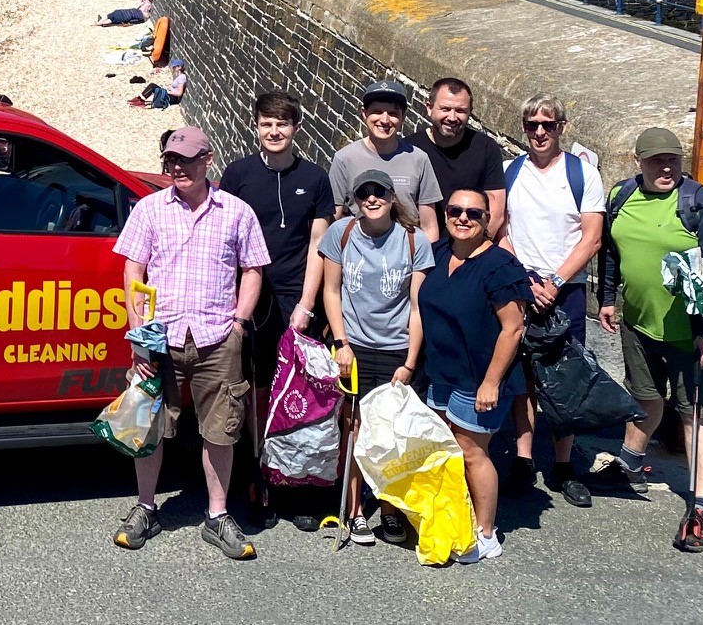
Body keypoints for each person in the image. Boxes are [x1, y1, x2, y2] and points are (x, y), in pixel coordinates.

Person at [110, 127, 267, 562]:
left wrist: (239, 321)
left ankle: (217, 517)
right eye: (170, 160)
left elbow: (252, 268)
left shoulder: (236, 212)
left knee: (221, 430)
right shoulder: (149, 209)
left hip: (218, 337)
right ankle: (145, 508)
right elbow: (134, 272)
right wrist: (138, 336)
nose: (176, 167)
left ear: (208, 160)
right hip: (160, 339)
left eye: (186, 159)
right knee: (149, 428)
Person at [598, 127, 703, 554]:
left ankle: (702, 505)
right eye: (656, 160)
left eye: (672, 160)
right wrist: (606, 298)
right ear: (637, 161)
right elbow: (610, 252)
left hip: (688, 333)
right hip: (638, 322)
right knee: (644, 396)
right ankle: (631, 463)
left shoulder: (699, 204)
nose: (666, 167)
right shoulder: (621, 197)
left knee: (696, 414)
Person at [218, 90, 336, 528]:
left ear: (296, 128)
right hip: (252, 295)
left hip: (296, 295)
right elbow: (224, 235)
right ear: (256, 126)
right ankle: (260, 478)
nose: (274, 131)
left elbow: (319, 244)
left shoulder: (316, 177)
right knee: (257, 388)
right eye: (266, 123)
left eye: (282, 124)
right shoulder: (239, 173)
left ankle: (299, 483)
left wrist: (306, 305)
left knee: (302, 392)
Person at [498, 93, 606, 506]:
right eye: (532, 125)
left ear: (562, 128)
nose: (540, 132)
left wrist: (556, 281)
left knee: (568, 377)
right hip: (521, 287)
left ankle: (562, 465)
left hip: (567, 290)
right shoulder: (510, 172)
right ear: (523, 129)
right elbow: (499, 230)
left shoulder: (583, 174)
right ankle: (524, 460)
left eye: (548, 125)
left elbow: (591, 236)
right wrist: (527, 280)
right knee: (522, 377)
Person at [318, 168, 433, 546]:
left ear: (391, 197)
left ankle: (389, 509)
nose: (372, 198)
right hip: (354, 347)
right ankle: (354, 511)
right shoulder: (342, 233)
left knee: (392, 435)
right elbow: (331, 291)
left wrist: (410, 361)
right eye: (364, 192)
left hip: (395, 349)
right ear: (354, 197)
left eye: (379, 191)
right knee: (353, 428)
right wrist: (341, 344)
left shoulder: (414, 241)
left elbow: (417, 306)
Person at [417, 188, 530, 563]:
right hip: (443, 373)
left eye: (474, 214)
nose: (463, 218)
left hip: (480, 378)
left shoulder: (500, 266)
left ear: (488, 221)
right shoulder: (438, 255)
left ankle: (486, 534)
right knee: (448, 448)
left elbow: (513, 328)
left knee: (471, 452)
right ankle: (457, 516)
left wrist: (491, 382)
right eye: (455, 210)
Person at [328, 80, 442, 243]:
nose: (385, 120)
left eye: (393, 113)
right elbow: (334, 219)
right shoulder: (344, 159)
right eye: (377, 111)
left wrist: (426, 264)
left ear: (403, 117)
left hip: (406, 255)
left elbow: (429, 225)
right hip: (360, 254)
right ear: (364, 114)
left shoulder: (419, 158)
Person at [407, 78, 508, 241]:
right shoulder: (410, 149)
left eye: (460, 111)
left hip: (471, 244)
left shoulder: (485, 148)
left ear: (470, 112)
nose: (452, 117)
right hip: (422, 245)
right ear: (429, 108)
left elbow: (496, 210)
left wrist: (474, 248)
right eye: (445, 109)